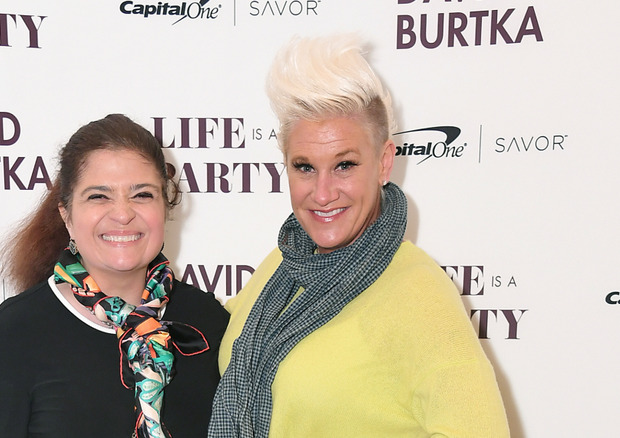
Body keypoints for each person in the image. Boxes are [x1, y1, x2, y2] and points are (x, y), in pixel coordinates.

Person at [209, 34, 509, 437]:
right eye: (304, 167)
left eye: (344, 165)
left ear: (384, 162)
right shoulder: (283, 266)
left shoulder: (419, 292)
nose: (323, 192)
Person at [0, 114, 229, 438]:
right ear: (66, 214)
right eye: (99, 196)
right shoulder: (11, 336)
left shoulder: (209, 323)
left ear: (165, 206)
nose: (123, 213)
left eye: (142, 195)